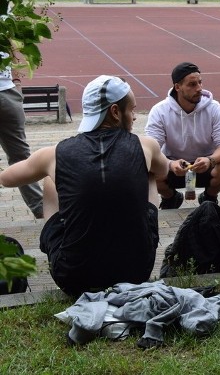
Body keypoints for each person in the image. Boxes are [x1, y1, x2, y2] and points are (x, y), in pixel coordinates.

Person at [0, 75, 168, 296]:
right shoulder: (146, 145)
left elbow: (7, 178)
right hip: (136, 271)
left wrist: (51, 168)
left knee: (52, 176)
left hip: (73, 277)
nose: (135, 117)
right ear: (115, 112)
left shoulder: (54, 154)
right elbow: (163, 171)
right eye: (132, 110)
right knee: (148, 173)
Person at [145, 62, 220, 209]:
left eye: (200, 82)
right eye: (192, 84)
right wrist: (169, 164)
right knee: (147, 170)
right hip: (173, 165)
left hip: (206, 165)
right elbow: (151, 149)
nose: (199, 88)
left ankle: (210, 196)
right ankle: (170, 197)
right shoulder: (159, 111)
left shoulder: (214, 108)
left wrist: (209, 160)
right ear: (177, 87)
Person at [0, 56, 43, 218]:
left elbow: (13, 52)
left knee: (21, 155)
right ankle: (39, 206)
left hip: (8, 92)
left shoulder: (6, 32)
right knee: (21, 156)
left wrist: (16, 82)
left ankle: (40, 207)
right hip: (9, 94)